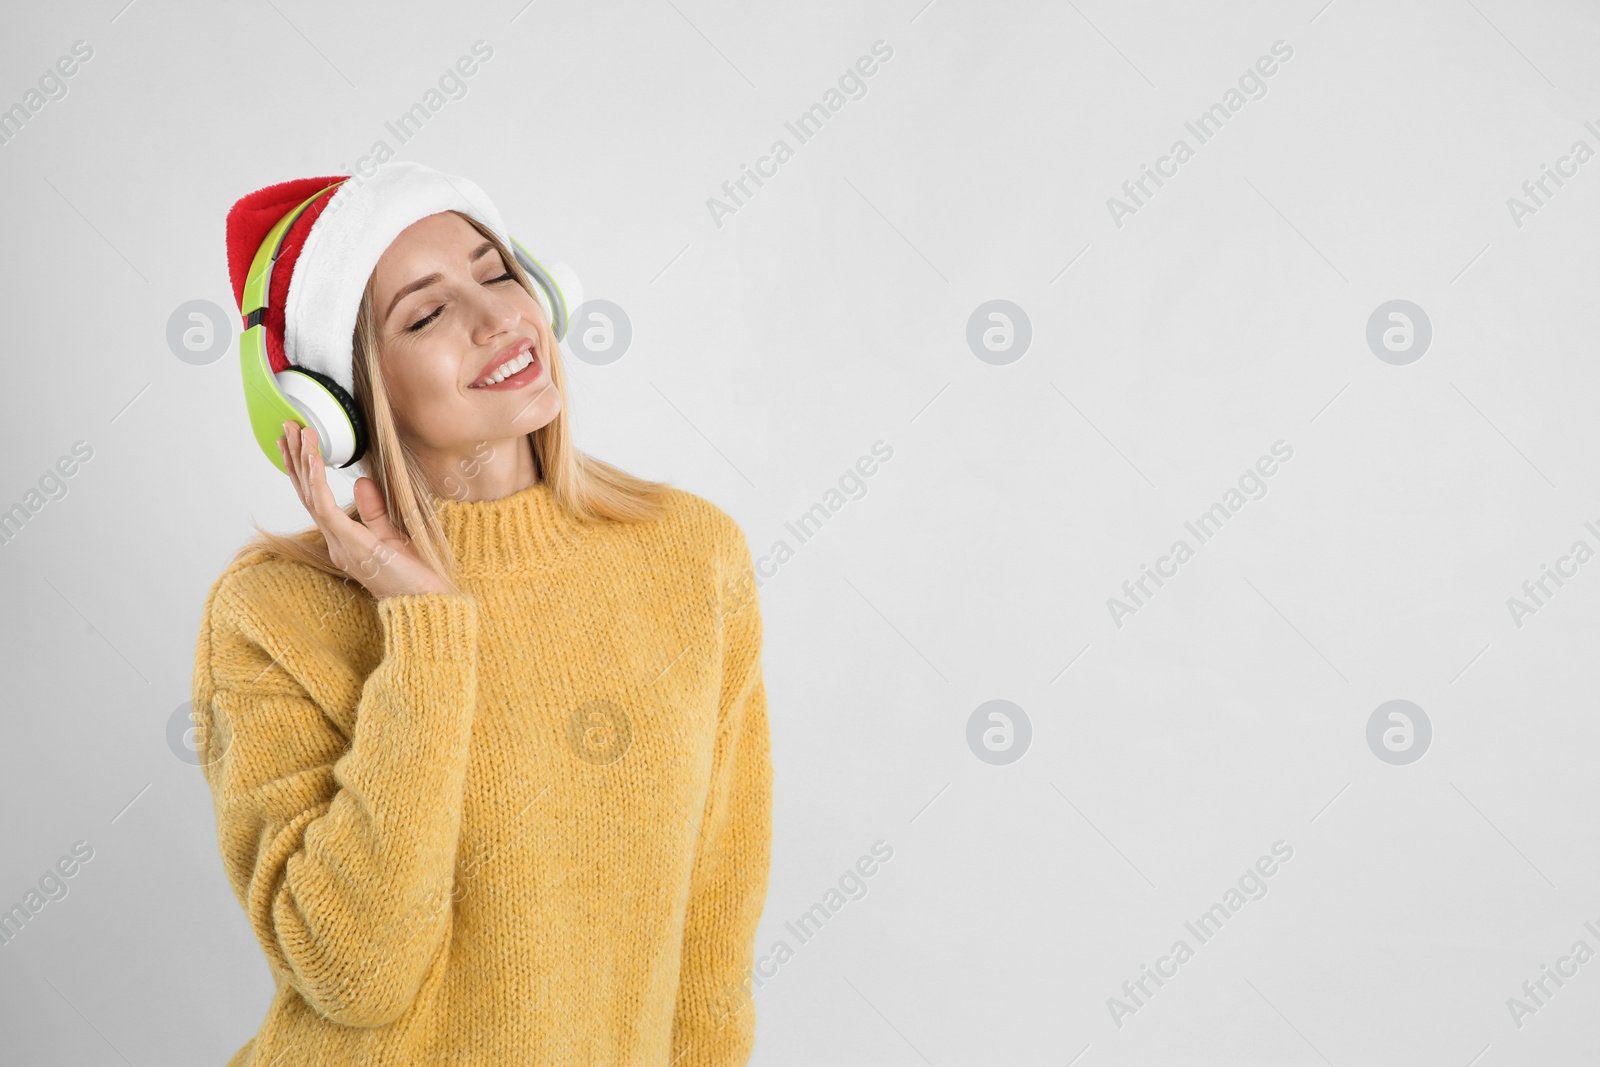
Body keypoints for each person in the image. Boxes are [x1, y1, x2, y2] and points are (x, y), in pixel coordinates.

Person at [191, 161, 772, 1066]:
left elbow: (710, 939)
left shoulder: (694, 556)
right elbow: (353, 976)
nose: (498, 318)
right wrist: (425, 631)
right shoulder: (272, 614)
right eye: (425, 313)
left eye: (497, 272)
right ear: (338, 399)